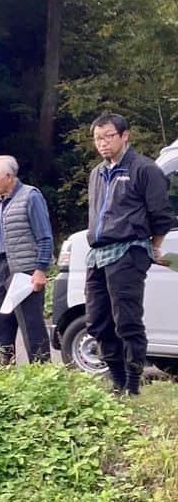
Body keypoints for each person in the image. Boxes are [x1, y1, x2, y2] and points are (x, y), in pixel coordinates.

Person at [85, 112, 176, 395]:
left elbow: (161, 216)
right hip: (97, 252)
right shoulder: (97, 173)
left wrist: (155, 245)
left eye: (108, 136)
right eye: (98, 138)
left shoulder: (144, 169)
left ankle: (133, 386)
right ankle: (117, 380)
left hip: (129, 250)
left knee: (127, 320)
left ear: (125, 136)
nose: (102, 143)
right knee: (97, 322)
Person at [0, 155, 53, 365]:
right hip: (0, 269)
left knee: (31, 325)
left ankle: (43, 375)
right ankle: (3, 375)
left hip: (26, 270)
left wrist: (41, 269)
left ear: (8, 176)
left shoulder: (31, 196)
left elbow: (45, 236)